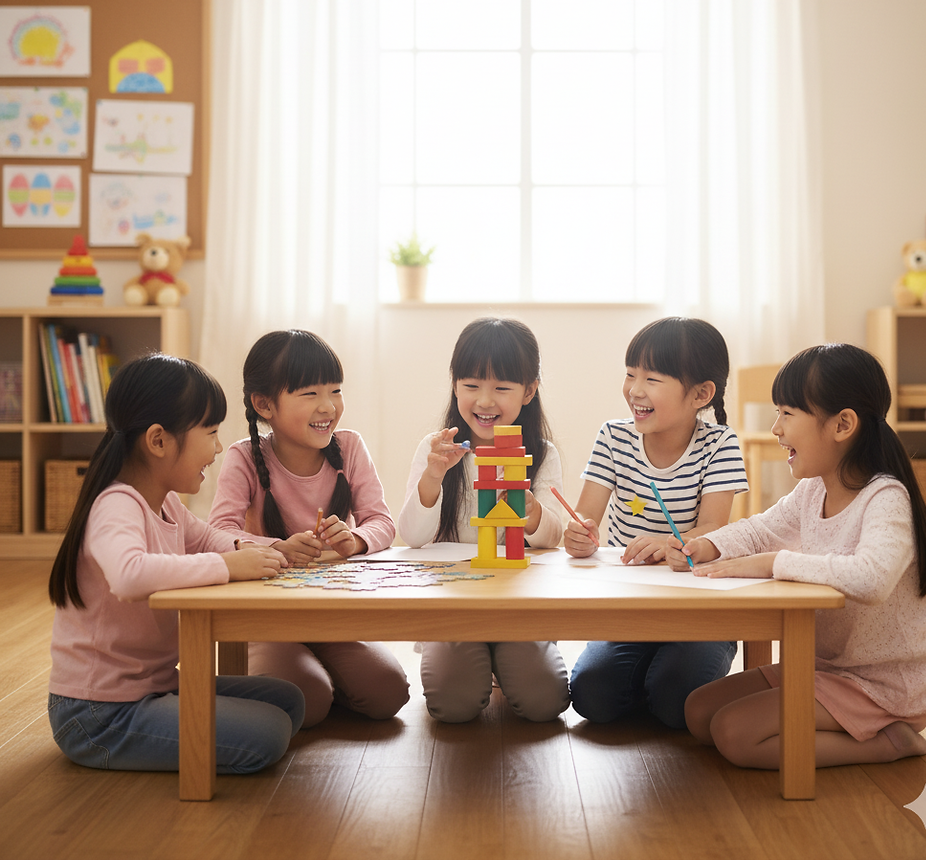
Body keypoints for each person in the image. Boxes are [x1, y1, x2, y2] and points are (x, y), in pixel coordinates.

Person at [678, 343, 926, 768]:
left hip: (884, 685)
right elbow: (762, 528)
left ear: (842, 425)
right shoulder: (814, 489)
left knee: (734, 734)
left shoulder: (886, 497)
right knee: (698, 713)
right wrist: (706, 545)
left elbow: (872, 578)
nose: (775, 429)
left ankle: (891, 741)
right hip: (828, 669)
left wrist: (774, 563)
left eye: (787, 413)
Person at [47, 353, 305, 773]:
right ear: (158, 440)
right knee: (271, 731)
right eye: (211, 432)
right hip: (99, 713)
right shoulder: (116, 503)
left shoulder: (164, 502)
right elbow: (129, 576)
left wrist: (273, 548)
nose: (219, 448)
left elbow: (208, 537)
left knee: (289, 699)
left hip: (154, 688)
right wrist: (227, 566)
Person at [208, 329, 409, 728]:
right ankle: (305, 678)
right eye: (309, 394)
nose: (328, 407)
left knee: (389, 692)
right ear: (265, 404)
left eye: (335, 391)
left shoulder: (350, 447)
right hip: (267, 620)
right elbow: (217, 532)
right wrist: (276, 548)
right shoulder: (244, 457)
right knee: (309, 700)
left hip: (332, 613)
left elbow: (382, 522)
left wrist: (356, 540)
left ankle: (315, 674)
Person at [563, 317, 748, 727]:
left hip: (700, 610)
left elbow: (714, 528)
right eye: (630, 375)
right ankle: (651, 681)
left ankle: (662, 685)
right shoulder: (613, 437)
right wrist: (579, 536)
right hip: (630, 605)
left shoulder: (719, 444)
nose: (635, 390)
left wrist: (668, 541)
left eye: (652, 379)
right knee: (593, 697)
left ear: (701, 394)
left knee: (674, 698)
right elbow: (585, 519)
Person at [399, 316, 570, 722]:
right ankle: (479, 665)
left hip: (520, 606)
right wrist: (433, 477)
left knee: (545, 701)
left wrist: (532, 513)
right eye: (471, 386)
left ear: (529, 391)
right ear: (455, 384)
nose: (485, 401)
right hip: (453, 606)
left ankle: (503, 664)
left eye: (502, 388)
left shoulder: (541, 453)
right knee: (453, 704)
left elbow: (553, 539)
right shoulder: (435, 447)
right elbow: (411, 537)